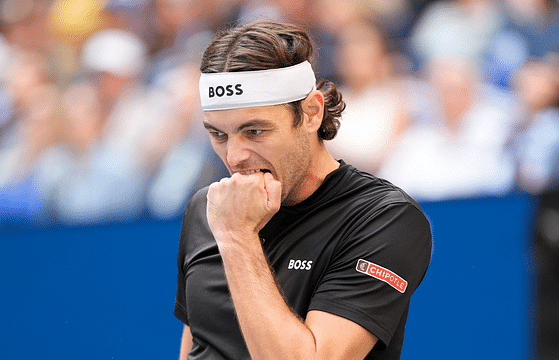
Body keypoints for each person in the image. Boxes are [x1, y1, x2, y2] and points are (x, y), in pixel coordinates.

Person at [174, 20, 432, 360]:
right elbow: (197, 348)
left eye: (254, 131)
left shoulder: (386, 218)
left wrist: (237, 236)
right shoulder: (207, 207)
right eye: (219, 135)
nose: (234, 157)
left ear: (311, 112)